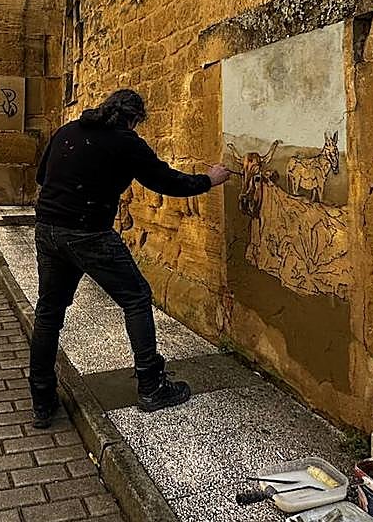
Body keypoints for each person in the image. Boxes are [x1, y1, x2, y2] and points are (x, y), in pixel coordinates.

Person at [29, 89, 231, 428]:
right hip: (88, 233)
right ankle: (152, 385)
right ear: (134, 118)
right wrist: (208, 181)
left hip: (48, 229)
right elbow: (165, 180)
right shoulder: (125, 141)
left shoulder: (68, 130)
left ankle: (42, 399)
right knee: (136, 297)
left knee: (49, 311)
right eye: (138, 123)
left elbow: (41, 177)